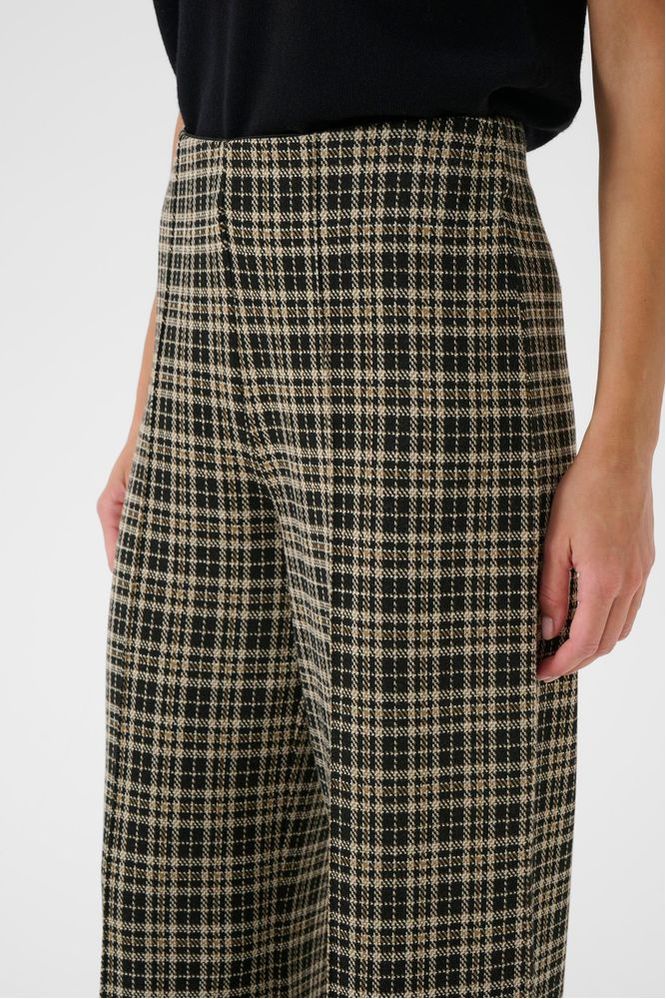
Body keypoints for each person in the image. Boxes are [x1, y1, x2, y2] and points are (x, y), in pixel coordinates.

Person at [96, 2, 663, 996]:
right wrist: (153, 401)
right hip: (200, 265)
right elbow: (222, 75)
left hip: (422, 266)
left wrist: (622, 447)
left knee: (436, 912)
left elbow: (645, 59)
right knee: (180, 896)